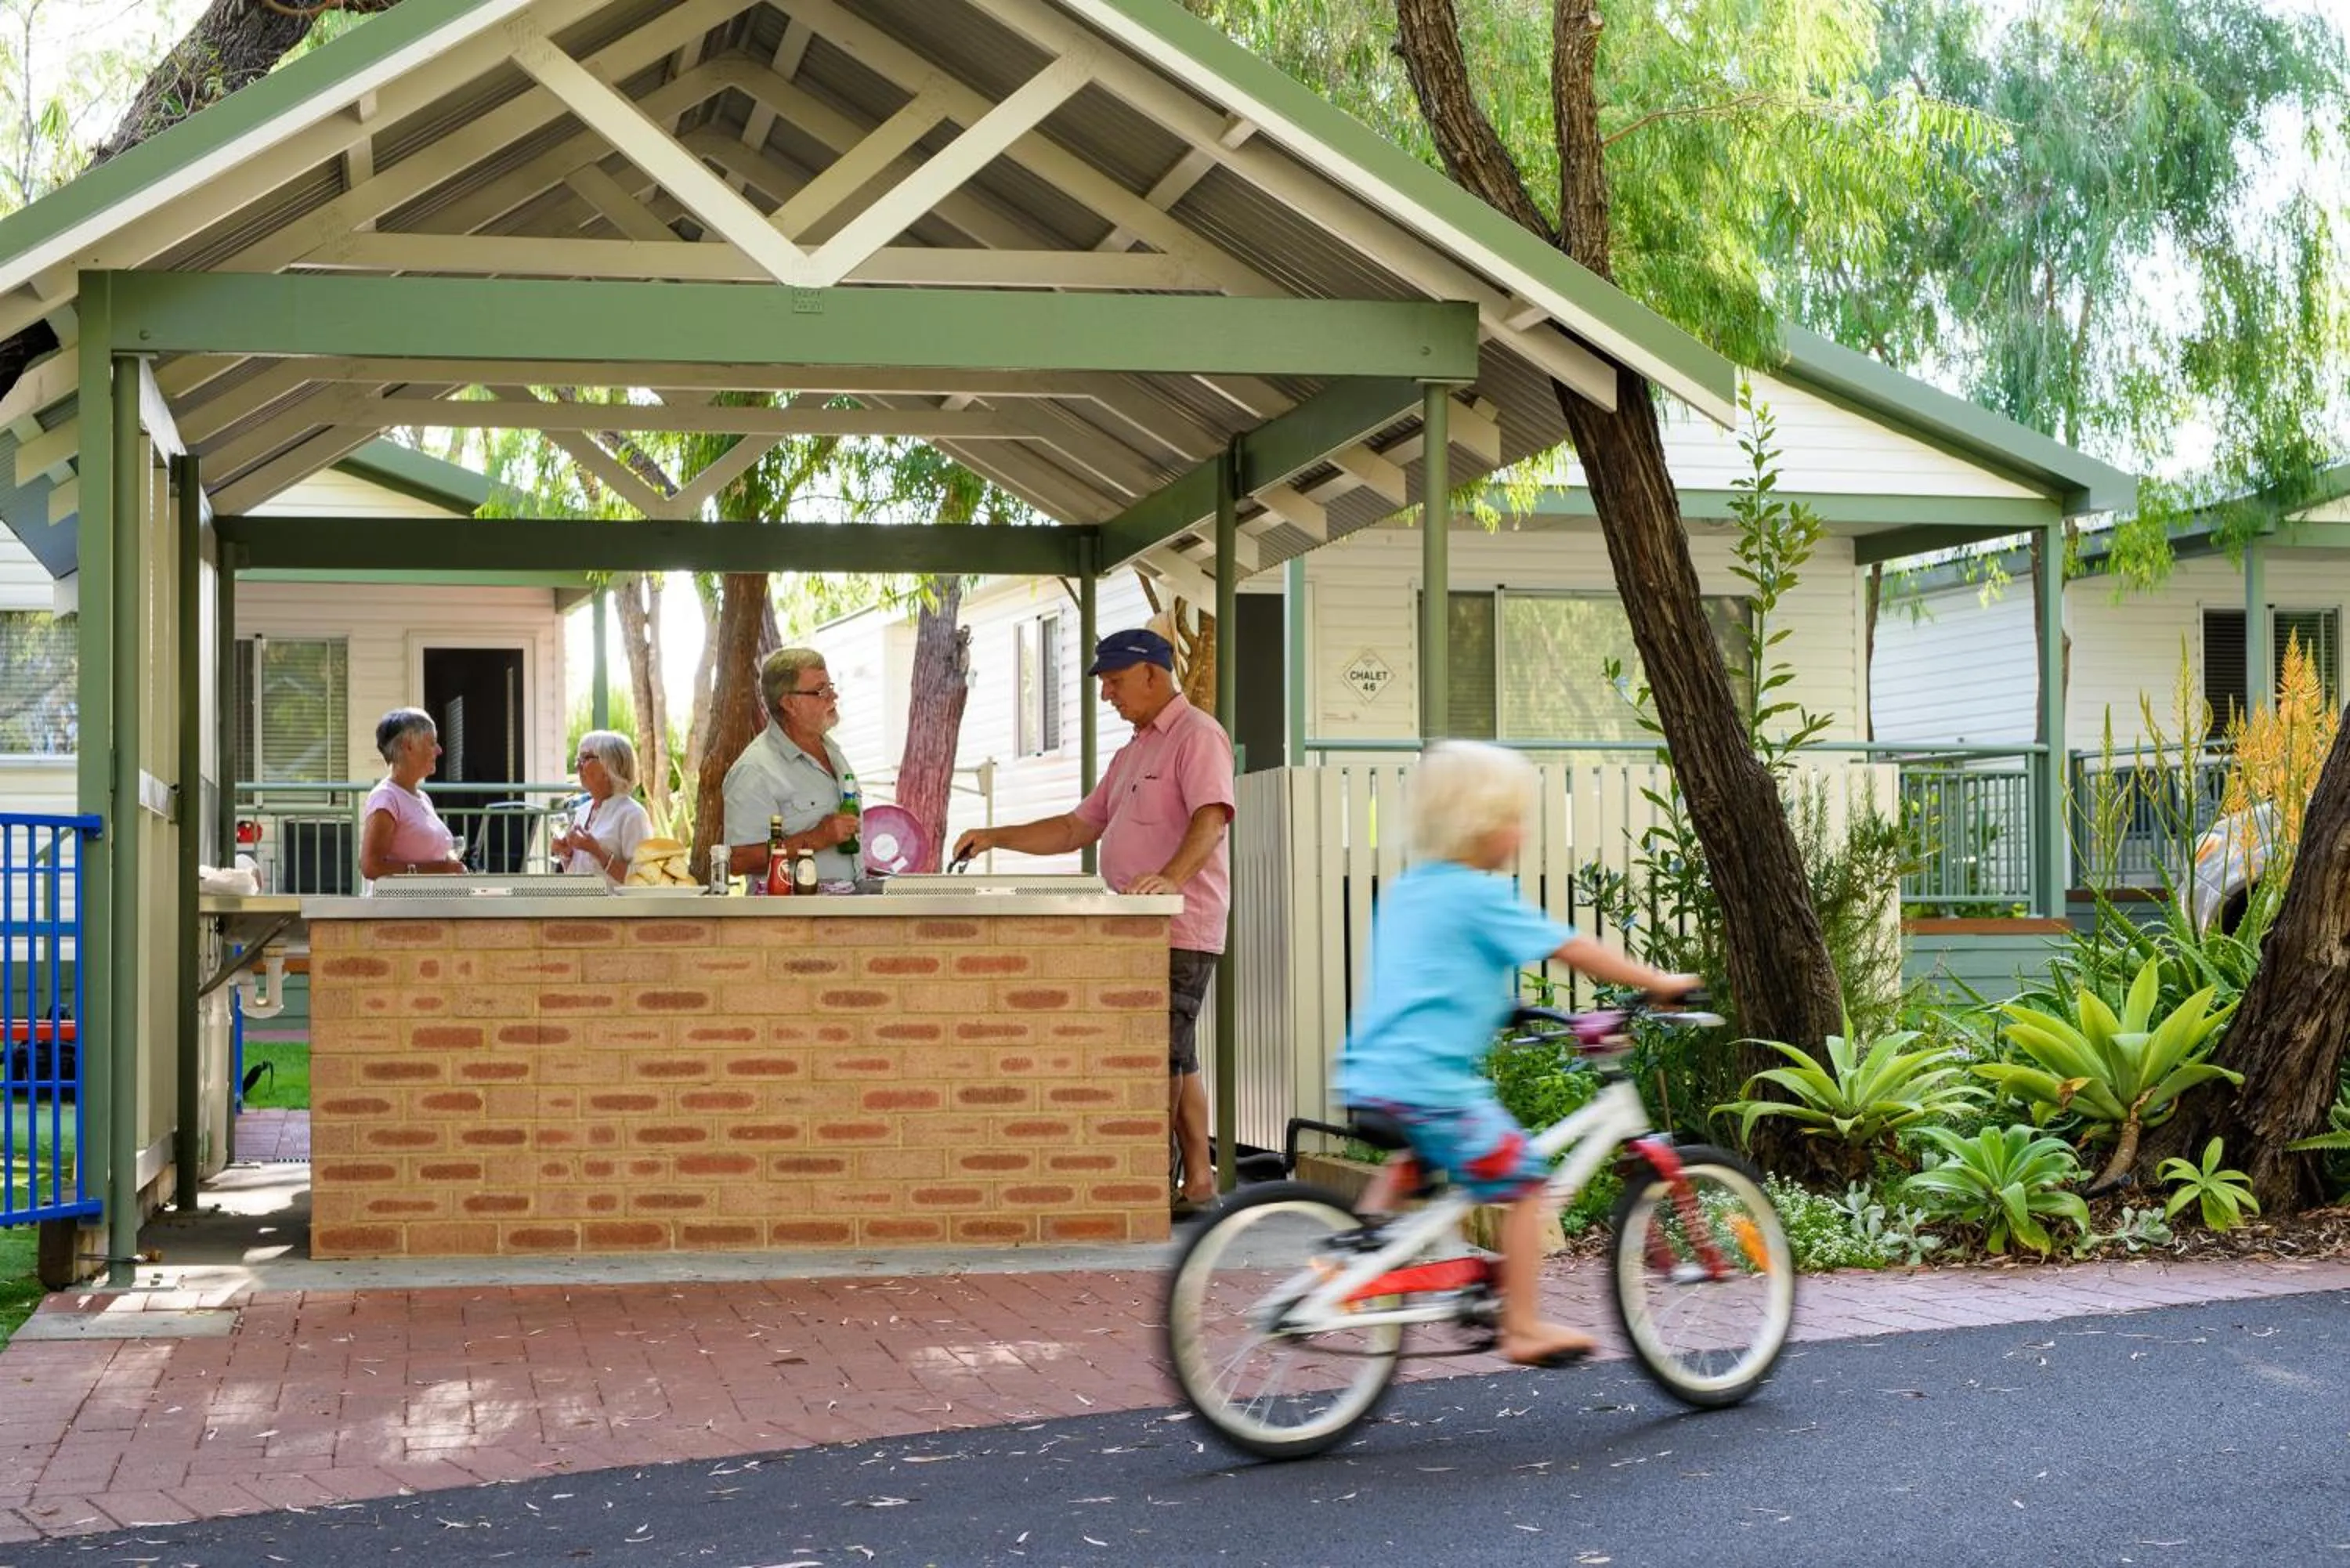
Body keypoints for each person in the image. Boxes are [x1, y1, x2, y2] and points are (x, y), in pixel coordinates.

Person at [1336, 739, 1695, 1369]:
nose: (1521, 831)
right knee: (1528, 1182)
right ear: (1480, 825)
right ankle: (1522, 1327)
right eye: (1514, 817)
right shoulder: (1481, 895)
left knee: (1416, 1162)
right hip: (1434, 1087)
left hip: (1376, 1077)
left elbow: (1430, 979)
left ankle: (1358, 1248)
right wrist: (1657, 982)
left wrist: (1511, 1009)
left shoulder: (1411, 890)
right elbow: (1573, 947)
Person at [953, 628, 1233, 1218]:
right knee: (1176, 1055)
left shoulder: (1197, 735)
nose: (1107, 694)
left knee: (1157, 1054)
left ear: (1153, 675)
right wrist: (994, 836)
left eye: (1114, 681)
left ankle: (1145, 1185)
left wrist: (1170, 880)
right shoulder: (1132, 752)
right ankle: (1199, 1186)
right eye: (1104, 684)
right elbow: (1077, 829)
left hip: (1178, 924)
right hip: (1137, 929)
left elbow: (1211, 819)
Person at [721, 648, 862, 884]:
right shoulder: (755, 769)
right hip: (794, 920)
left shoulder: (833, 751)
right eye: (821, 690)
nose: (833, 697)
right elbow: (738, 860)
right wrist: (818, 838)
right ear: (789, 703)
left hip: (847, 913)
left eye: (831, 686)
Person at [358, 707, 466, 881]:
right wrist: (439, 869)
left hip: (428, 905)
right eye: (432, 743)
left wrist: (451, 865)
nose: (439, 750)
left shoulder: (423, 798)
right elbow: (371, 867)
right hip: (401, 907)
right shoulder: (386, 798)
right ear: (408, 745)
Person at [551, 728, 652, 883]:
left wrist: (597, 852)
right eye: (578, 759)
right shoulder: (583, 811)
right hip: (582, 906)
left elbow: (643, 880)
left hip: (613, 907)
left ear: (609, 766)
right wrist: (568, 855)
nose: (578, 765)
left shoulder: (633, 815)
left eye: (586, 758)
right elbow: (579, 875)